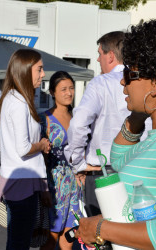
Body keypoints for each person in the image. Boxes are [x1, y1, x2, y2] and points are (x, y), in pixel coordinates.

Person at [74, 18, 156, 250]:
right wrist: (139, 113)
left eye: (131, 73)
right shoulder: (154, 137)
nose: (123, 81)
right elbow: (118, 157)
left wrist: (100, 229)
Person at [64, 31, 130, 216]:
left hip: (103, 174)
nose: (97, 59)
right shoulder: (143, 81)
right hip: (137, 170)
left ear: (110, 56)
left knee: (100, 237)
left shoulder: (100, 83)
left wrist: (78, 162)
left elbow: (78, 124)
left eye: (99, 54)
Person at [0, 49, 51, 250]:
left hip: (16, 180)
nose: (43, 74)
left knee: (16, 239)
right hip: (22, 183)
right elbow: (23, 148)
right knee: (20, 241)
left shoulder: (11, 98)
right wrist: (41, 144)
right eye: (39, 69)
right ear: (25, 70)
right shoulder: (19, 103)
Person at [39, 71, 83, 250]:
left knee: (71, 233)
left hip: (75, 183)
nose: (69, 93)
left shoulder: (78, 117)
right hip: (54, 184)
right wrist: (44, 187)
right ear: (52, 93)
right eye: (63, 89)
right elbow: (40, 157)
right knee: (51, 236)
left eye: (71, 88)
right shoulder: (44, 119)